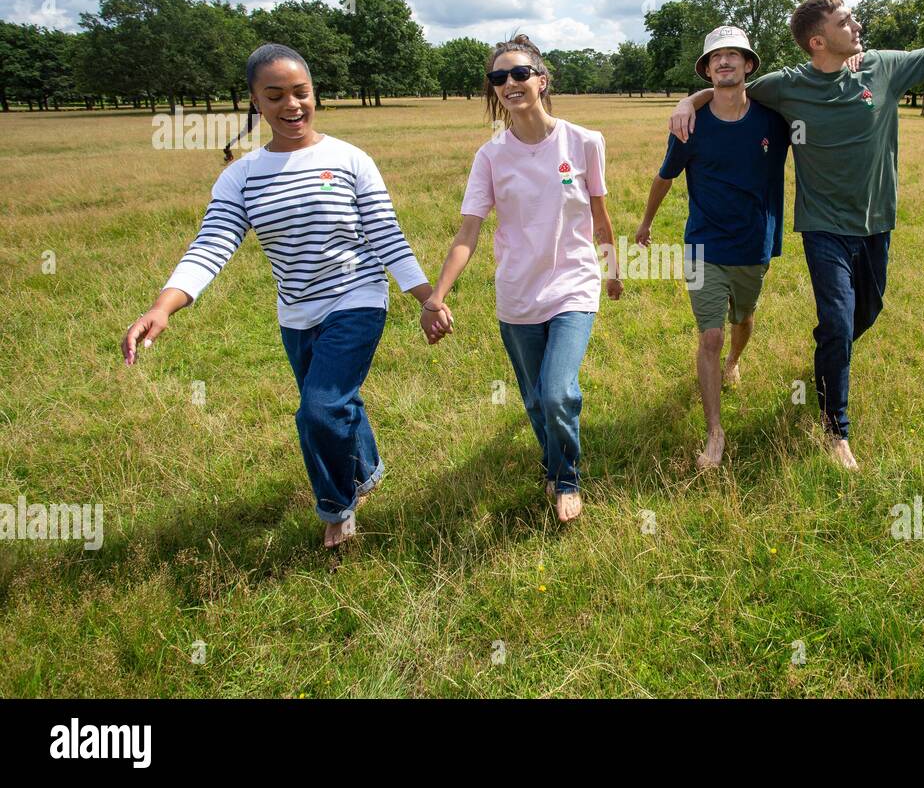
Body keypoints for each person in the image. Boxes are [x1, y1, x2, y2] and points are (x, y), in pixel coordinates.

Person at [671, 0, 924, 470]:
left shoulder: (881, 68)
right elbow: (732, 88)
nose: (856, 25)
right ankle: (836, 430)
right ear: (819, 41)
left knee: (865, 313)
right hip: (822, 227)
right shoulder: (788, 86)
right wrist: (690, 99)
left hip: (877, 224)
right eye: (845, 20)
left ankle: (828, 357)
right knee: (837, 322)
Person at [121, 43, 437, 548]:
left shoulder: (350, 159)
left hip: (357, 297)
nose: (291, 105)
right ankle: (368, 468)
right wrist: (164, 306)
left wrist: (426, 296)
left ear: (315, 95)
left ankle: (337, 507)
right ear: (255, 102)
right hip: (296, 312)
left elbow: (385, 233)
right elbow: (213, 243)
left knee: (318, 409)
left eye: (300, 93)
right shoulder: (241, 176)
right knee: (336, 403)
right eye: (275, 96)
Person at [423, 34, 623, 523]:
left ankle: (568, 477)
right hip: (517, 294)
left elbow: (600, 215)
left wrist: (612, 269)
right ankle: (552, 465)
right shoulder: (491, 156)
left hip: (574, 284)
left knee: (558, 392)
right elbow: (468, 230)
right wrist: (436, 296)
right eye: (498, 78)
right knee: (535, 398)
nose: (509, 83)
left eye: (518, 74)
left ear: (541, 79)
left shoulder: (584, 141)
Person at [636, 26, 789, 468]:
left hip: (754, 243)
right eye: (716, 57)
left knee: (742, 318)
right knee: (711, 333)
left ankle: (736, 361)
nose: (724, 62)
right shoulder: (690, 125)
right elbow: (664, 177)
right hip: (703, 244)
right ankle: (714, 433)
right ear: (706, 69)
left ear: (748, 65)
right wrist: (645, 224)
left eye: (733, 55)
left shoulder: (773, 119)